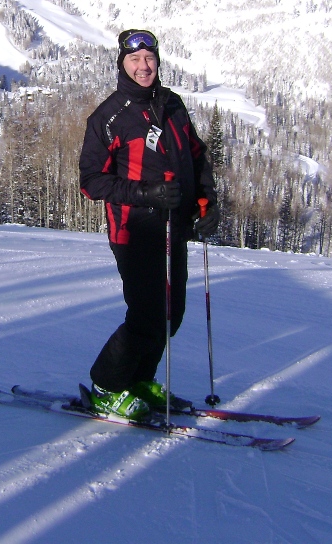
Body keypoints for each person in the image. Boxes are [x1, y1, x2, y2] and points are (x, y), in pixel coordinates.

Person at [79, 29, 220, 419]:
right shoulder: (109, 117)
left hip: (174, 228)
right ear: (122, 64)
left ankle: (139, 380)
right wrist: (146, 193)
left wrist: (206, 203)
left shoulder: (171, 104)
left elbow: (196, 155)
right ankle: (107, 386)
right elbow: (91, 181)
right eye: (134, 59)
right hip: (134, 230)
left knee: (171, 314)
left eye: (149, 58)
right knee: (146, 316)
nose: (143, 66)